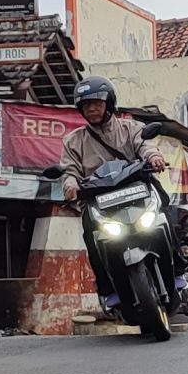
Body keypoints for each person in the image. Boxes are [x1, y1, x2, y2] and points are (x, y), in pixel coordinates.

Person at [59, 75, 164, 315]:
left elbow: (144, 145)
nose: (92, 108)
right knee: (91, 236)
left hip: (136, 193)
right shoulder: (73, 141)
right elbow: (69, 171)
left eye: (97, 102)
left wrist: (153, 157)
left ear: (110, 103)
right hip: (100, 203)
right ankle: (109, 290)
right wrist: (70, 186)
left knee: (163, 208)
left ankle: (177, 266)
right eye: (86, 105)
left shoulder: (130, 128)